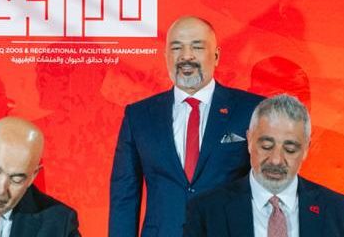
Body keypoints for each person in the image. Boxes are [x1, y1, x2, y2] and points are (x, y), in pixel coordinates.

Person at [110, 16, 265, 237]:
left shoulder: (252, 110)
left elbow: (269, 188)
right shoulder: (139, 116)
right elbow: (124, 195)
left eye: (197, 47)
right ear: (165, 56)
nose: (186, 56)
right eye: (176, 48)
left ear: (216, 56)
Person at [184, 94, 344, 237]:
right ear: (249, 140)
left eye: (290, 149)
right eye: (266, 146)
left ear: (306, 149)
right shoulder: (206, 211)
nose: (276, 160)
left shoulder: (341, 213)